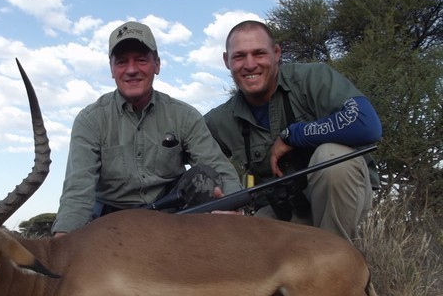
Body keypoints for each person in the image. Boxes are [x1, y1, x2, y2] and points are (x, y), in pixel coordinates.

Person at [52, 21, 242, 235]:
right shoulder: (90, 120)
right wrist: (63, 237)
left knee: (204, 176)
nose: (132, 70)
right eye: (122, 62)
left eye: (141, 60)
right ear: (112, 69)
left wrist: (234, 205)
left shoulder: (184, 115)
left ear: (157, 65)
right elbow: (79, 188)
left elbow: (218, 168)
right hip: (110, 220)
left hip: (170, 214)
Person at [205, 20, 382, 243]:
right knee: (241, 251)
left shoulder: (313, 77)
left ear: (277, 52)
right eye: (239, 56)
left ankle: (333, 260)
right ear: (226, 61)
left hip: (339, 199)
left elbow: (366, 123)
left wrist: (294, 135)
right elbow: (186, 155)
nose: (250, 65)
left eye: (259, 53)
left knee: (332, 157)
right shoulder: (220, 118)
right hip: (281, 212)